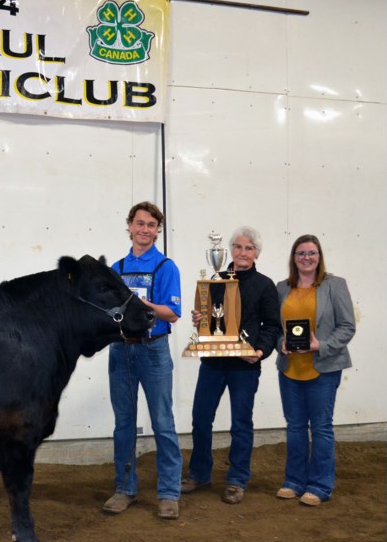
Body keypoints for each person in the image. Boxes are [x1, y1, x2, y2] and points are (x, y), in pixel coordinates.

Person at [182, 226, 280, 504]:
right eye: (238, 247)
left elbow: (272, 325)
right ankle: (200, 473)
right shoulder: (216, 280)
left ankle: (237, 479)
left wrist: (260, 351)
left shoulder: (265, 285)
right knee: (201, 419)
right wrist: (199, 318)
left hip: (244, 366)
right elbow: (211, 320)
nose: (242, 252)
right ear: (229, 251)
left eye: (249, 248)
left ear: (256, 253)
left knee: (240, 423)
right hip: (213, 361)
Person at [102, 201, 184, 520]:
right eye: (140, 223)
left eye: (151, 225)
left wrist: (140, 303)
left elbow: (172, 313)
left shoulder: (165, 267)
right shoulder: (116, 270)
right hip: (121, 350)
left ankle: (168, 493)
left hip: (153, 349)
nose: (145, 230)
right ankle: (124, 489)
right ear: (130, 226)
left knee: (163, 421)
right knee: (124, 424)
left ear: (157, 230)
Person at [274, 234, 356, 506]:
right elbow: (275, 328)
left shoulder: (335, 285)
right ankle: (294, 481)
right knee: (295, 427)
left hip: (323, 368)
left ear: (319, 257)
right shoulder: (282, 287)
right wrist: (280, 344)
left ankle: (320, 485)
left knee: (321, 428)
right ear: (293, 258)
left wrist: (321, 344)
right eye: (300, 253)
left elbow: (347, 326)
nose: (306, 258)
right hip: (290, 370)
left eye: (311, 253)